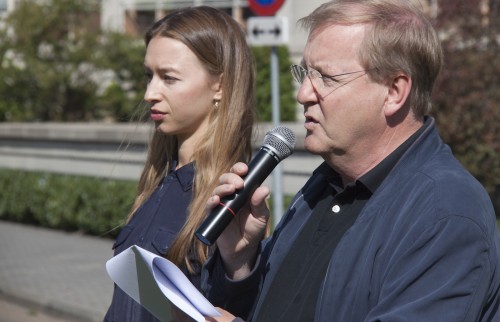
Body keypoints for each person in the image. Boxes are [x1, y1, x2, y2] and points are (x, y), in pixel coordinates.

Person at [202, 0, 500, 321]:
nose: (303, 93)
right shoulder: (325, 184)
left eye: (326, 77)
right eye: (305, 73)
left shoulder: (445, 213)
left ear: (394, 92)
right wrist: (241, 263)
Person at [103, 6, 256, 322]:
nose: (150, 94)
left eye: (168, 78)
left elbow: (234, 309)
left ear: (220, 86)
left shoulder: (228, 198)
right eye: (149, 76)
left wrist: (239, 265)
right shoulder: (161, 180)